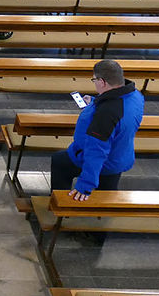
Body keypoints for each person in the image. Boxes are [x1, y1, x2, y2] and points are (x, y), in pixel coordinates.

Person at [50, 59, 144, 200]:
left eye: (94, 80)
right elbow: (119, 114)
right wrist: (96, 102)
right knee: (106, 191)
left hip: (104, 162)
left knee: (59, 161)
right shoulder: (135, 95)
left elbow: (97, 151)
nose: (94, 83)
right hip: (120, 156)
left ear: (102, 82)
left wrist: (85, 185)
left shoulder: (107, 113)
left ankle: (58, 201)